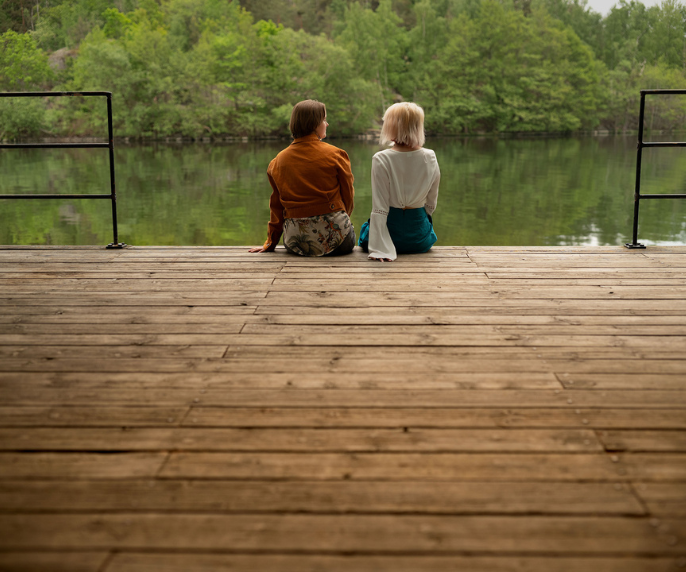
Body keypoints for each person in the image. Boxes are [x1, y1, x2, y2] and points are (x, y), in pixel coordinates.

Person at [249, 100, 355, 256]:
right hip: (338, 241)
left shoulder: (277, 162)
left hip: (296, 244)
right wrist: (339, 223)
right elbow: (348, 197)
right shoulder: (337, 154)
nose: (327, 124)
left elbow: (277, 207)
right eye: (324, 120)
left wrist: (270, 243)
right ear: (314, 123)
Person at [359, 102, 440, 262]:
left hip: (390, 232)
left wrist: (379, 248)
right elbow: (431, 203)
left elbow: (379, 207)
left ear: (391, 126)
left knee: (364, 230)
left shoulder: (381, 158)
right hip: (420, 239)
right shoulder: (429, 156)